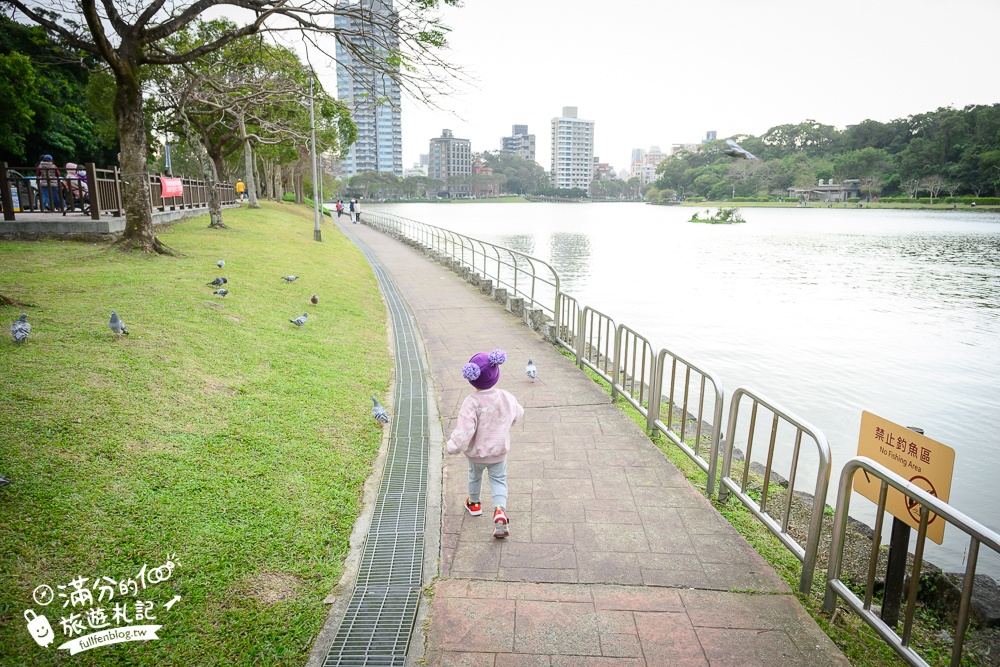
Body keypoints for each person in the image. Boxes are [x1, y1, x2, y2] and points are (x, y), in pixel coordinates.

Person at [445, 349, 524, 539]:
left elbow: (465, 431)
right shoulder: (506, 396)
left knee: (474, 477)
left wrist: (452, 446)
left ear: (472, 378)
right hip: (499, 452)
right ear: (497, 373)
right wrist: (507, 423)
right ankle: (499, 511)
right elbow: (518, 414)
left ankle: (474, 504)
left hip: (476, 454)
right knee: (498, 481)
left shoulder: (471, 402)